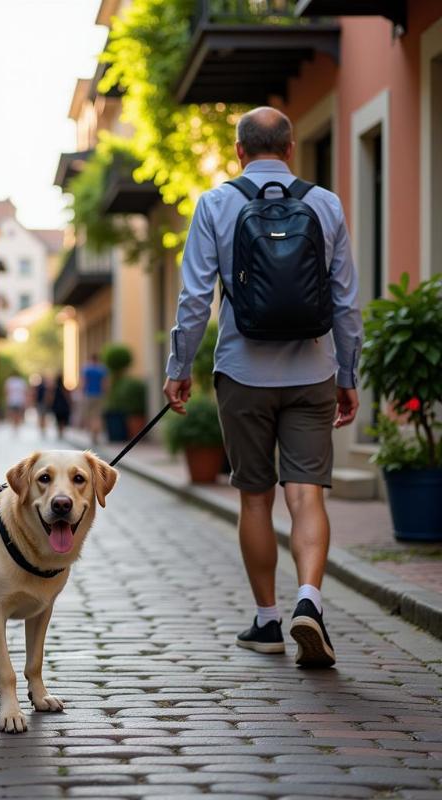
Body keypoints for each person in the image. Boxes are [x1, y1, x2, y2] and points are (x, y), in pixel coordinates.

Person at [162, 107, 362, 669]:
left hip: (243, 372)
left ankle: (269, 620)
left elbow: (196, 300)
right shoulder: (324, 203)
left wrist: (178, 368)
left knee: (255, 496)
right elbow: (345, 301)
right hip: (312, 370)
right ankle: (310, 601)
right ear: (292, 148)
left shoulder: (217, 204)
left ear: (239, 151)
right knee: (307, 494)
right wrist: (348, 375)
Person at [81, 353, 108, 445]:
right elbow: (104, 383)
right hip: (99, 395)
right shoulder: (102, 369)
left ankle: (92, 434)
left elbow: (84, 382)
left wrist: (82, 392)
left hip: (89, 394)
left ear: (91, 359)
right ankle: (96, 435)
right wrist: (105, 393)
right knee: (97, 415)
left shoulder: (86, 369)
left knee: (90, 415)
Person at [49, 374, 71, 440]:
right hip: (63, 406)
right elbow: (68, 397)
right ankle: (61, 432)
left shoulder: (54, 389)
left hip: (57, 407)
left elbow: (51, 397)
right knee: (62, 420)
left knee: (59, 420)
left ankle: (60, 432)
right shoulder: (64, 388)